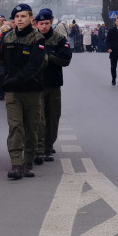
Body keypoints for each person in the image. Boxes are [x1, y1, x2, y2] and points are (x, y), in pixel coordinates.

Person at [0, 3, 45, 179]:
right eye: (17, 17)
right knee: (15, 126)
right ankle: (16, 164)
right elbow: (1, 57)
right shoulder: (8, 37)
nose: (19, 19)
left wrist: (14, 80)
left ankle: (28, 162)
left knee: (31, 128)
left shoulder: (37, 39)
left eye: (23, 16)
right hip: (13, 92)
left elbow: (34, 65)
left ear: (31, 19)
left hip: (32, 90)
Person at [33, 9, 72, 164]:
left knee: (52, 117)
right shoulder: (33, 38)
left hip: (53, 83)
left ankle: (49, 146)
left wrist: (46, 57)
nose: (43, 27)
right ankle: (41, 148)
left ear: (51, 22)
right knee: (39, 118)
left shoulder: (59, 39)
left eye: (46, 23)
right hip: (36, 84)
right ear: (36, 24)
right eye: (41, 24)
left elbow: (65, 60)